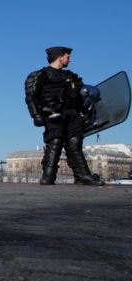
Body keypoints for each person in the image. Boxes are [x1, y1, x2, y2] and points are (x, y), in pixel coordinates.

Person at [24, 46, 103, 186]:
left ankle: (82, 176)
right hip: (53, 114)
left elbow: (82, 96)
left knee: (75, 144)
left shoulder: (71, 76)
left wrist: (85, 113)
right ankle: (48, 176)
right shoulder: (39, 75)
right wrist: (36, 115)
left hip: (73, 115)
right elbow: (31, 97)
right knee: (55, 142)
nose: (69, 59)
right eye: (67, 56)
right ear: (60, 57)